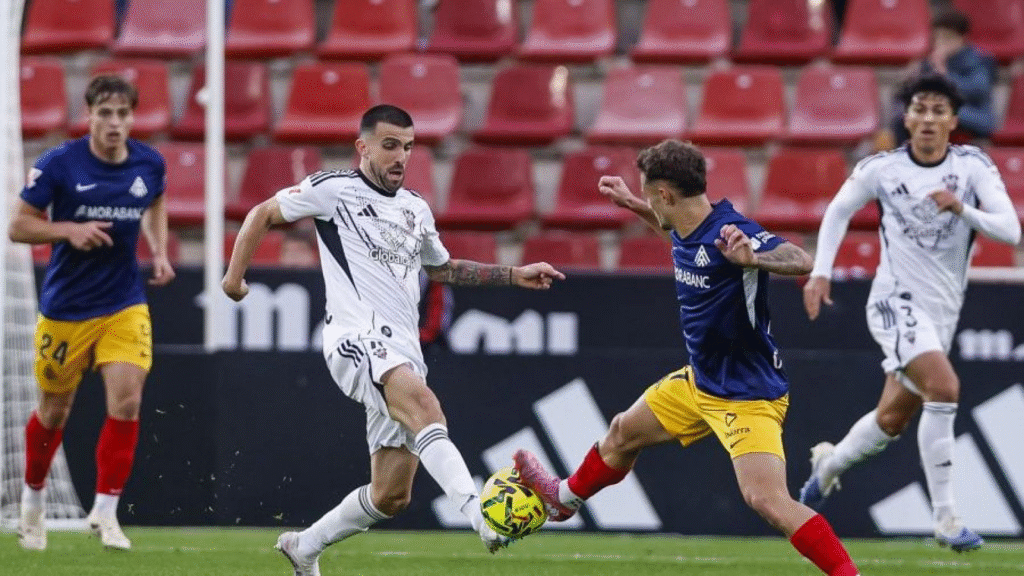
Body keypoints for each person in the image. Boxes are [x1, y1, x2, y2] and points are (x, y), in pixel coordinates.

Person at [221, 104, 565, 575]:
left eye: (407, 146)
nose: (400, 156)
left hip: (403, 349)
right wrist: (233, 279)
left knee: (391, 495)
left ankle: (304, 546)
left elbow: (441, 268)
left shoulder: (415, 208)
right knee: (426, 408)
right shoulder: (333, 190)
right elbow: (264, 212)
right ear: (362, 147)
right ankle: (481, 518)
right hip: (355, 338)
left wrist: (513, 274)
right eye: (389, 145)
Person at [513, 140, 862, 576]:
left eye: (647, 191)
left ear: (666, 195)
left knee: (768, 500)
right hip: (700, 381)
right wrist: (632, 204)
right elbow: (676, 234)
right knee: (623, 432)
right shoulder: (686, 226)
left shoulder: (730, 230)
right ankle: (563, 500)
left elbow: (800, 258)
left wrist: (753, 257)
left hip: (746, 392)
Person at [800, 73, 1021, 552]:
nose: (927, 119)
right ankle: (945, 520)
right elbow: (838, 210)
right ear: (907, 117)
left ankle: (830, 464)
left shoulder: (972, 167)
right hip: (893, 303)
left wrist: (963, 210)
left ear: (953, 121)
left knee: (892, 419)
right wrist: (821, 272)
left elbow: (1010, 231)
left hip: (942, 311)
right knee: (945, 387)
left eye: (938, 111)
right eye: (919, 109)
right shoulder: (883, 169)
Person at [8, 74, 175, 551]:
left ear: (132, 118)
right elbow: (18, 227)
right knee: (54, 411)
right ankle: (33, 502)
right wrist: (67, 230)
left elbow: (156, 200)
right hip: (66, 309)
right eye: (105, 113)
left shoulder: (149, 162)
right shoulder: (60, 163)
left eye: (123, 114)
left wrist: (159, 250)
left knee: (127, 401)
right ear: (90, 116)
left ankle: (105, 512)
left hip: (123, 302)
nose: (115, 123)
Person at [878, 9, 995, 149]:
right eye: (937, 38)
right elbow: (905, 94)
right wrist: (911, 78)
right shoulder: (928, 61)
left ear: (962, 38)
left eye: (947, 37)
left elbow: (978, 90)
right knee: (904, 117)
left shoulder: (978, 59)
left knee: (938, 113)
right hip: (936, 112)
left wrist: (944, 74)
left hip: (971, 116)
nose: (941, 43)